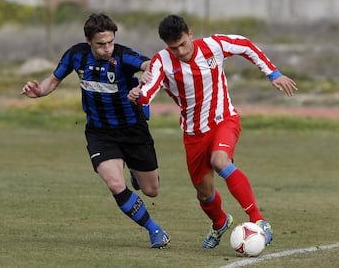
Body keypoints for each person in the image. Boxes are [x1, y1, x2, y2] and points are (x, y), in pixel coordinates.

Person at [128, 14, 297, 249]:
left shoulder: (214, 45)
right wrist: (139, 96)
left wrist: (273, 73)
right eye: (174, 48)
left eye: (183, 44)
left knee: (220, 160)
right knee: (204, 193)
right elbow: (149, 89)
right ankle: (220, 222)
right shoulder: (162, 61)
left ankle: (258, 219)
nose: (181, 52)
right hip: (193, 133)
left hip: (224, 120)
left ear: (191, 34)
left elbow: (245, 45)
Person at [21, 13, 170, 249]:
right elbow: (52, 81)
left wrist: (147, 80)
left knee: (152, 191)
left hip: (133, 130)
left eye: (110, 41)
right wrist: (39, 91)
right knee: (114, 184)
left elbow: (150, 64)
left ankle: (134, 168)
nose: (107, 48)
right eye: (101, 44)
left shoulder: (122, 55)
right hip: (100, 133)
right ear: (88, 40)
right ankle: (155, 230)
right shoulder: (76, 55)